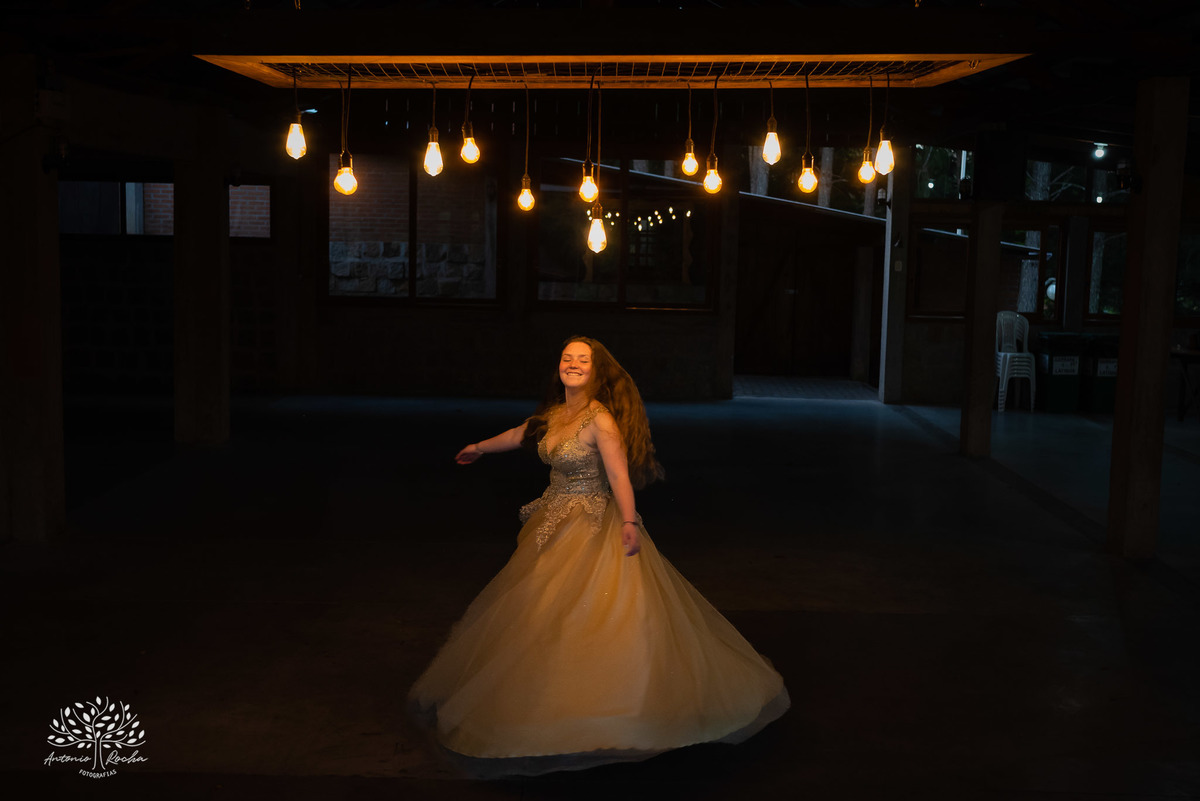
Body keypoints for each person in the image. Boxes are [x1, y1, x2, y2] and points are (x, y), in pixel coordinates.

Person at [407, 336, 788, 777]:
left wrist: (629, 521)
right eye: (567, 358)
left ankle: (608, 704)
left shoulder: (600, 420)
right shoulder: (555, 414)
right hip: (553, 519)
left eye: (582, 360)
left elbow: (619, 476)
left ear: (595, 371)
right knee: (541, 604)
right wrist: (479, 446)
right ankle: (543, 693)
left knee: (593, 606)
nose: (572, 364)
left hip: (589, 523)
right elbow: (519, 435)